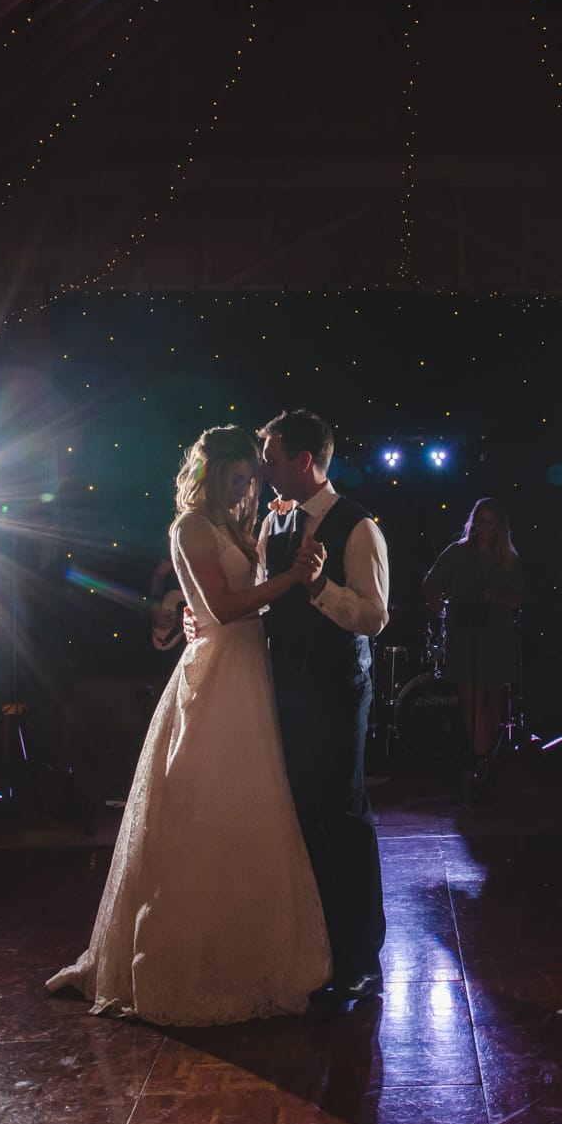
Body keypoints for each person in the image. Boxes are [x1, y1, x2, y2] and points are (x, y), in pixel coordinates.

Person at [46, 425, 331, 1024]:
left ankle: (248, 951)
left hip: (250, 667)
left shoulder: (233, 525)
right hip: (219, 671)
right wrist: (293, 580)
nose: (246, 487)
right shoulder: (191, 527)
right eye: (236, 477)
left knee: (254, 804)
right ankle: (184, 959)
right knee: (205, 804)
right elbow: (223, 608)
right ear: (210, 473)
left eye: (250, 478)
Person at [256, 408, 391, 1010]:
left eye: (274, 458)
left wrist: (319, 588)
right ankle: (318, 949)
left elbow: (373, 617)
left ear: (304, 462)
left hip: (338, 689)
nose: (265, 470)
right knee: (305, 817)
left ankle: (361, 959)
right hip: (286, 688)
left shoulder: (358, 527)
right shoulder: (274, 520)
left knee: (343, 815)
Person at [422, 497, 526, 798]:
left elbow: (520, 596)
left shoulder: (507, 557)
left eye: (492, 522)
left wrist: (498, 599)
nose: (485, 527)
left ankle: (485, 754)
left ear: (500, 526)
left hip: (496, 632)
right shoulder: (458, 552)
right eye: (481, 521)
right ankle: (480, 757)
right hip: (464, 631)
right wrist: (435, 603)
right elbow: (431, 581)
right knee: (470, 695)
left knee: (492, 695)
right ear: (474, 522)